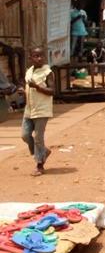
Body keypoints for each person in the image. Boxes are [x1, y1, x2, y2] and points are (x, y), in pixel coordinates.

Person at [21, 47, 54, 176]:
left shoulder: (48, 72)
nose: (39, 58)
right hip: (29, 109)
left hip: (42, 110)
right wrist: (23, 92)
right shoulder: (29, 71)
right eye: (36, 56)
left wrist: (37, 87)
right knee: (25, 135)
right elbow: (29, 90)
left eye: (41, 56)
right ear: (31, 58)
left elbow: (52, 91)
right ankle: (43, 152)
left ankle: (40, 165)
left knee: (38, 138)